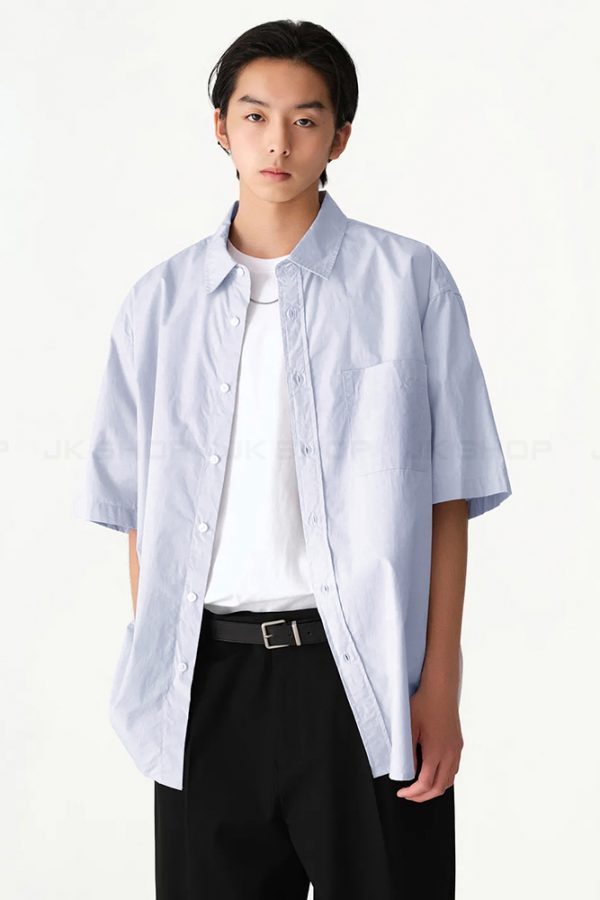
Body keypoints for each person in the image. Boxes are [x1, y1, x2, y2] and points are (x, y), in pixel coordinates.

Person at [75, 18, 512, 900]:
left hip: (364, 681)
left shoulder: (409, 283)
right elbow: (138, 515)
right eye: (255, 115)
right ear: (220, 127)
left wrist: (439, 684)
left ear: (339, 137)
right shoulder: (158, 305)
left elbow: (448, 499)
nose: (278, 142)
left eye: (306, 120)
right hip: (208, 686)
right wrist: (165, 676)